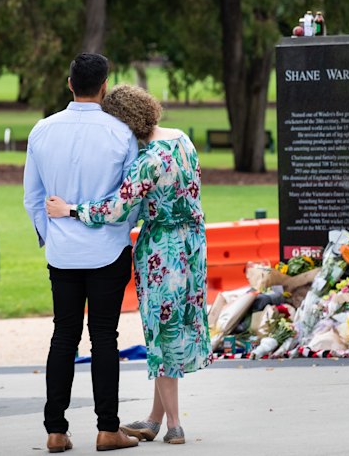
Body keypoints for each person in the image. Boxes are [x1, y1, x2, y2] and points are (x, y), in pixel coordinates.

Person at [46, 84, 212, 447]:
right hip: (193, 245)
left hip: (162, 249)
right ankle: (153, 419)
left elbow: (117, 209)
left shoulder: (146, 161)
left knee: (160, 331)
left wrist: (70, 209)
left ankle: (175, 423)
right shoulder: (182, 140)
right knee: (175, 324)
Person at [23, 53, 140, 453]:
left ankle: (55, 430)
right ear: (105, 86)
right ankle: (108, 428)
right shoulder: (121, 134)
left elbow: (32, 198)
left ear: (69, 83)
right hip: (107, 249)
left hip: (62, 253)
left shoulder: (41, 131)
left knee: (63, 336)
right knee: (104, 337)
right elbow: (131, 202)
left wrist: (53, 235)